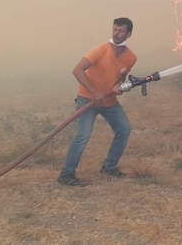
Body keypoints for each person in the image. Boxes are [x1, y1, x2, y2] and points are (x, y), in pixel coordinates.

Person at [58, 18, 137, 186]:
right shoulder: (101, 50)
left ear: (129, 34)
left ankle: (109, 167)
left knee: (124, 130)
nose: (116, 33)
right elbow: (77, 70)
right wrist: (94, 92)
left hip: (109, 102)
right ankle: (66, 174)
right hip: (87, 100)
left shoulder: (131, 58)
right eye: (115, 29)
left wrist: (118, 86)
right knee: (83, 136)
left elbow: (120, 78)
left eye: (121, 31)